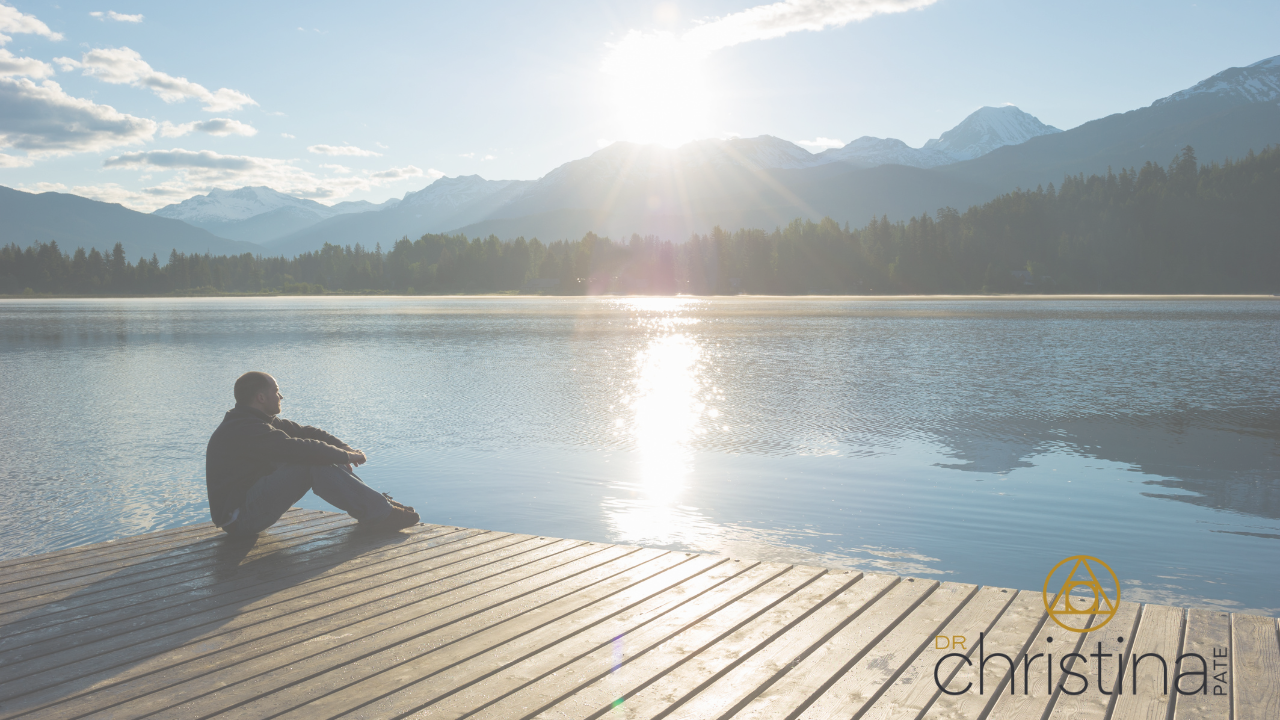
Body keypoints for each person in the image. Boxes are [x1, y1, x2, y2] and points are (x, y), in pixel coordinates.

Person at [206, 371, 420, 535]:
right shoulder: (246, 429)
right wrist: (345, 457)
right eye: (276, 391)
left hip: (248, 508)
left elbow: (308, 433)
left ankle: (377, 509)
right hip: (240, 519)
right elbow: (300, 449)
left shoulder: (255, 421)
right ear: (261, 398)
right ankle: (380, 513)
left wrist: (344, 449)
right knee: (310, 462)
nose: (281, 396)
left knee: (319, 456)